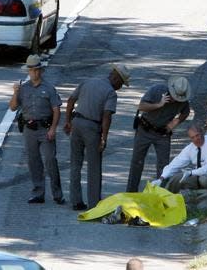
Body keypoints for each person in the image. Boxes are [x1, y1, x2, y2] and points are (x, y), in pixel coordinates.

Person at [64, 64, 130, 210]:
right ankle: (94, 204)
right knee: (94, 167)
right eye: (121, 83)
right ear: (116, 79)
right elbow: (107, 116)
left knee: (75, 163)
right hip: (92, 128)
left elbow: (70, 101)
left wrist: (68, 121)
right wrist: (104, 138)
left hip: (76, 124)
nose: (120, 87)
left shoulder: (88, 81)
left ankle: (76, 201)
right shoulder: (110, 93)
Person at [9, 54, 64, 204]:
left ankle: (57, 194)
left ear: (41, 71)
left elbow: (56, 110)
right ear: (28, 71)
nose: (35, 73)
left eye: (37, 70)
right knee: (33, 161)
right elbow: (13, 107)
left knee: (50, 160)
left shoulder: (49, 88)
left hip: (45, 128)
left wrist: (53, 129)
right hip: (29, 129)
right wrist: (15, 92)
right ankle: (38, 192)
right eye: (32, 70)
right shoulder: (23, 88)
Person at [126, 76, 191, 192]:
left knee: (164, 166)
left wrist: (173, 124)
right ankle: (131, 192)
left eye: (178, 99)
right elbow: (141, 106)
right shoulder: (157, 90)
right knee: (137, 162)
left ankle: (160, 193)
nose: (175, 100)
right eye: (174, 97)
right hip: (144, 129)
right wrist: (159, 104)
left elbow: (185, 113)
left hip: (162, 134)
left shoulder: (183, 102)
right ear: (170, 90)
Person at [151, 122, 207, 197]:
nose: (196, 139)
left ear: (202, 133)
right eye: (192, 137)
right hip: (199, 175)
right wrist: (161, 178)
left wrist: (191, 172)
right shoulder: (190, 148)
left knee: (204, 179)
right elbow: (175, 164)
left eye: (197, 135)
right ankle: (165, 199)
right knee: (176, 179)